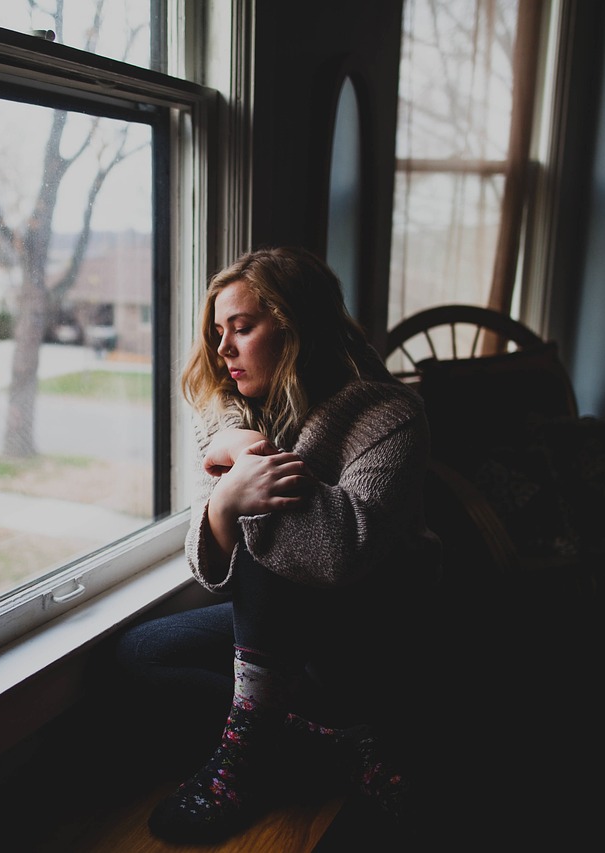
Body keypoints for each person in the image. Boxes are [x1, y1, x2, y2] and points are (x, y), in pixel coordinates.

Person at [114, 246, 442, 844]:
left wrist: (249, 466)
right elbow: (205, 562)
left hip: (372, 635)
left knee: (277, 540)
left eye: (241, 328)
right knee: (141, 655)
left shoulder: (389, 414)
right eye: (218, 332)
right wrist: (225, 498)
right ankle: (337, 749)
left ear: (295, 327)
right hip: (280, 641)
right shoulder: (228, 413)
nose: (223, 350)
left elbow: (339, 553)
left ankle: (245, 763)